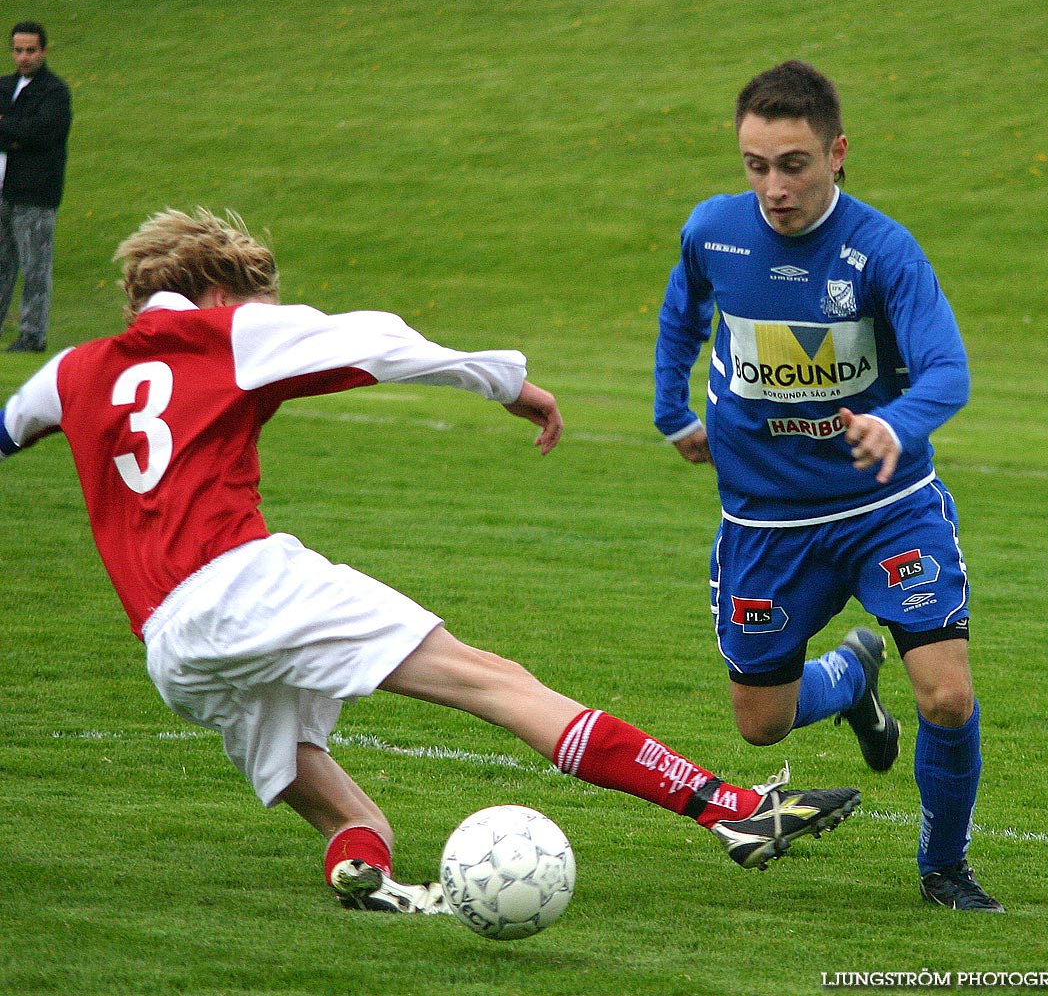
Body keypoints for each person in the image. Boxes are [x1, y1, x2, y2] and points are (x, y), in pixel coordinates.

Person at [0, 207, 861, 913]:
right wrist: (507, 384)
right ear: (217, 289)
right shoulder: (237, 331)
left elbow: (10, 426)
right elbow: (373, 338)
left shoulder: (74, 370)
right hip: (242, 583)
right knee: (494, 680)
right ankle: (731, 811)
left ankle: (361, 868)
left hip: (168, 644)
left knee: (324, 788)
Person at [654, 61, 1003, 912]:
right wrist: (672, 411)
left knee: (947, 699)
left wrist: (897, 422)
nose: (773, 186)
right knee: (759, 724)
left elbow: (947, 370)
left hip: (886, 506)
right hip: (764, 521)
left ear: (837, 153)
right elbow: (682, 315)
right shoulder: (714, 233)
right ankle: (848, 681)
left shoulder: (883, 251)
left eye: (793, 163)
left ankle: (943, 867)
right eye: (755, 164)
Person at [0, 21, 71, 353]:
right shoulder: (4, 87)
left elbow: (41, 134)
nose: (23, 57)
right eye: (18, 50)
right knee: (2, 264)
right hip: (4, 190)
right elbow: (24, 132)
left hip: (35, 193)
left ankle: (32, 335)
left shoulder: (54, 92)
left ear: (43, 50)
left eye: (30, 50)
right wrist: (17, 133)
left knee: (35, 268)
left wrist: (10, 130)